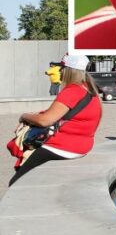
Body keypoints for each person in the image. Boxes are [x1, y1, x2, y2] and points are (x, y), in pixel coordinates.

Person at [9, 53, 102, 186]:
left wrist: (24, 116)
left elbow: (45, 121)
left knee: (16, 183)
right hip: (82, 144)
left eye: (62, 68)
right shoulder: (88, 89)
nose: (60, 71)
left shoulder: (72, 91)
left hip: (63, 147)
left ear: (69, 70)